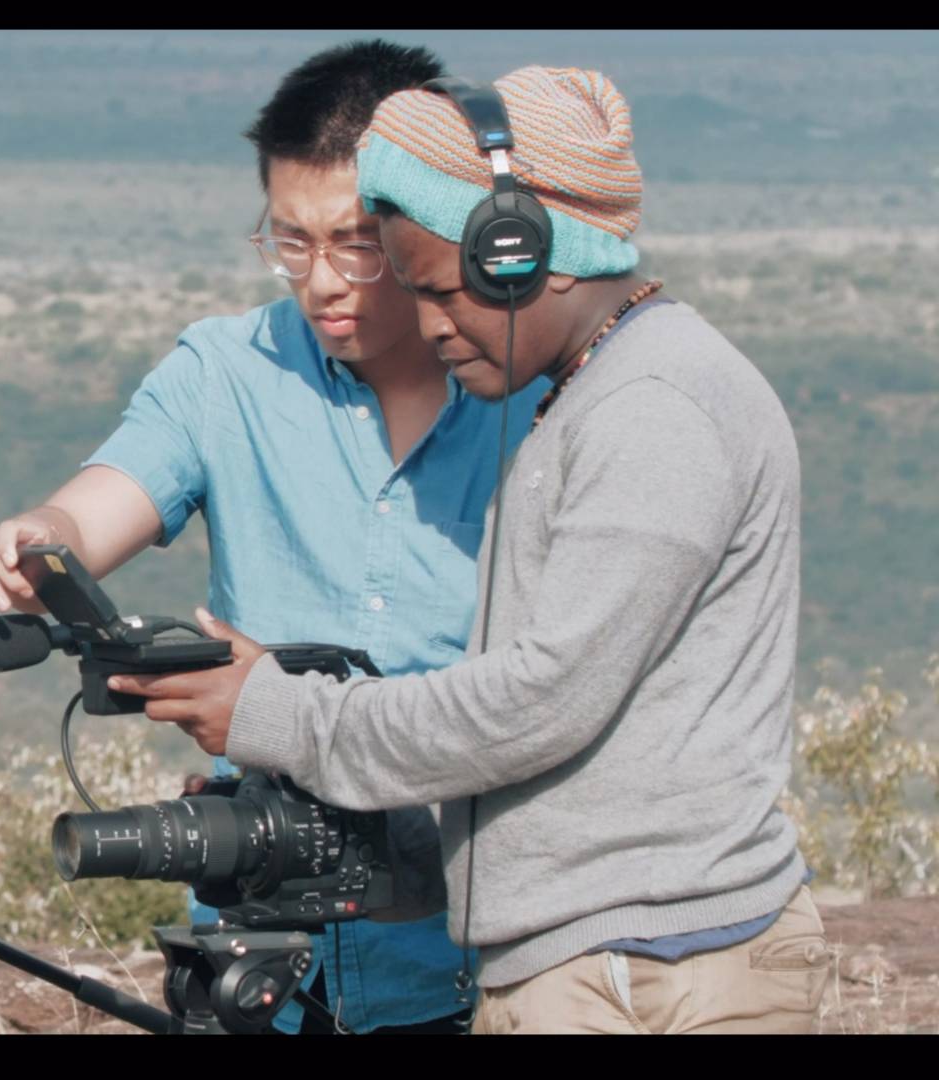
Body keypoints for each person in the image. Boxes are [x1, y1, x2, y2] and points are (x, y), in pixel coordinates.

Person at [111, 65, 832, 1034]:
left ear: (526, 254)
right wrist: (330, 839)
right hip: (603, 962)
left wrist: (278, 714)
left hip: (658, 973)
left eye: (446, 292)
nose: (432, 327)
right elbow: (578, 766)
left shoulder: (653, 410)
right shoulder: (591, 399)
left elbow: (541, 701)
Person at [0, 40, 544, 1033]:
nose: (322, 282)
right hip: (263, 960)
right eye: (290, 241)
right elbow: (98, 505)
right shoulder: (226, 369)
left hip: (481, 958)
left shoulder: (535, 396)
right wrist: (38, 538)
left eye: (356, 243)